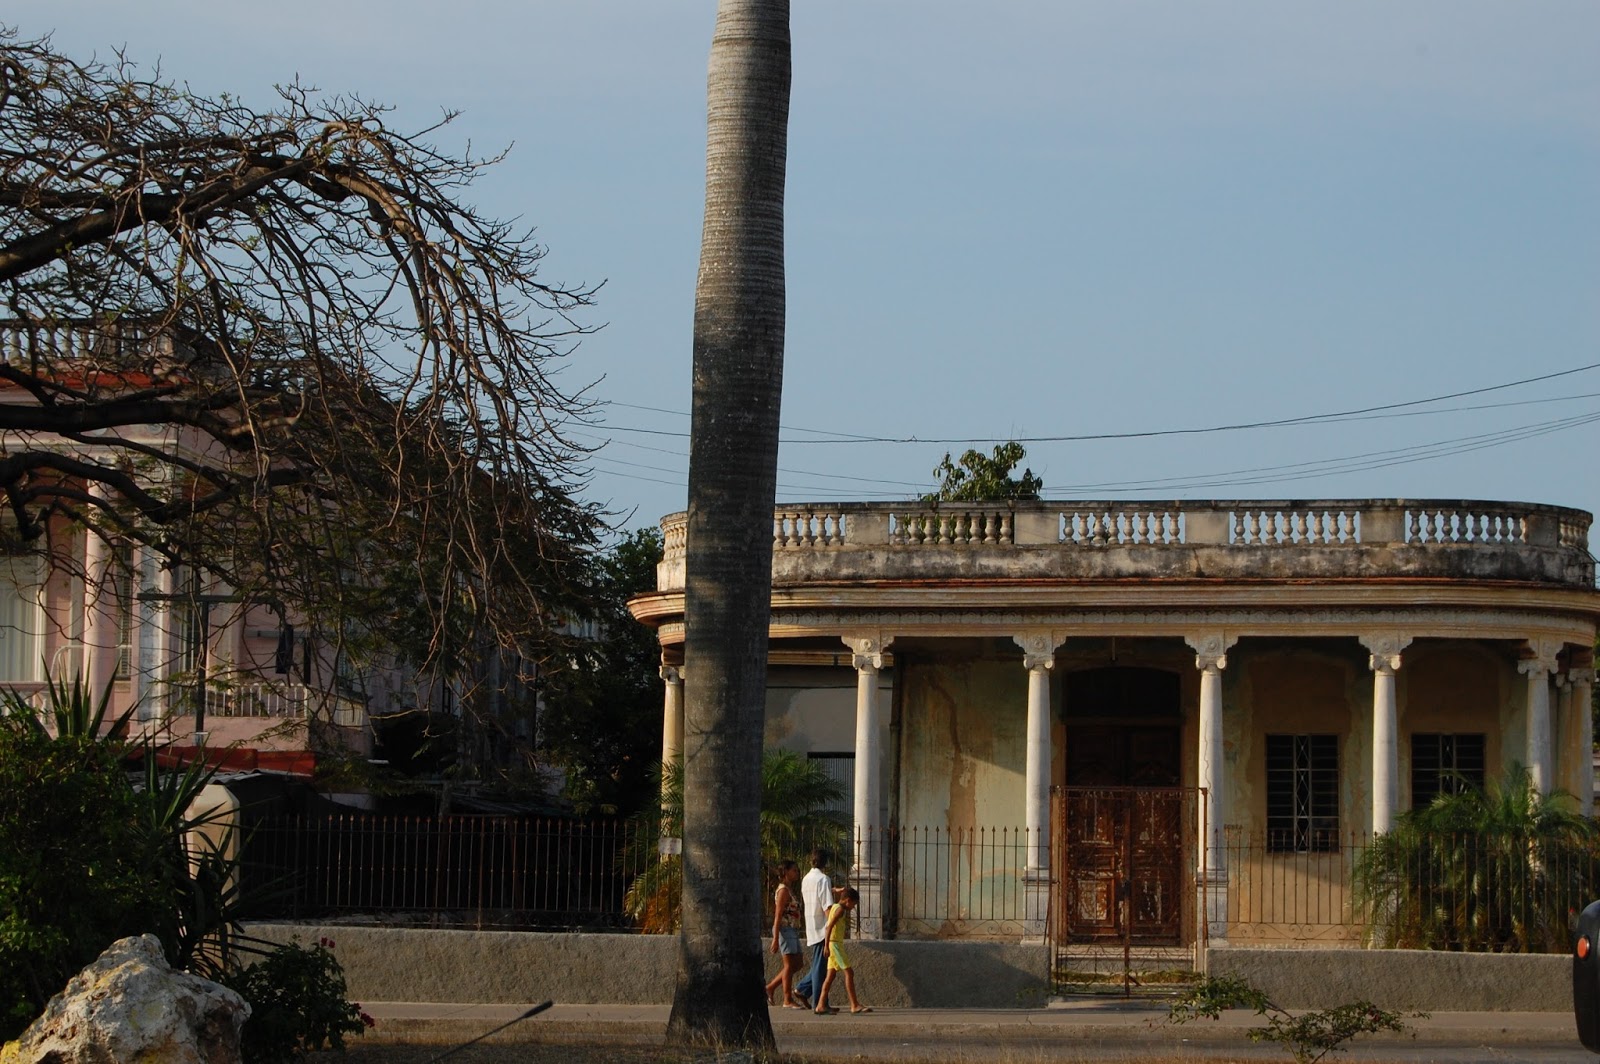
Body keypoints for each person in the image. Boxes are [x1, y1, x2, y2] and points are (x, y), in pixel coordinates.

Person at [789, 847, 835, 1010]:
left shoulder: (807, 878)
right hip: (823, 927)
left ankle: (802, 989)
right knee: (820, 968)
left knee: (818, 964)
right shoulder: (824, 879)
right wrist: (833, 924)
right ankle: (819, 1003)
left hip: (811, 924)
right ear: (825, 863)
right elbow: (827, 906)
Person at [814, 886, 870, 1015]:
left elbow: (832, 890)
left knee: (830, 976)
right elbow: (829, 927)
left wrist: (837, 890)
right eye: (853, 904)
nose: (853, 908)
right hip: (835, 945)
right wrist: (826, 946)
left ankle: (821, 1005)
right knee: (849, 973)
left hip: (834, 944)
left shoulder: (834, 907)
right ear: (848, 900)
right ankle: (854, 1005)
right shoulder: (840, 910)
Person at [764, 859, 805, 1007]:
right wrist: (775, 938)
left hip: (792, 929)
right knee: (789, 964)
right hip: (785, 929)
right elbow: (778, 914)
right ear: (786, 872)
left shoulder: (789, 889)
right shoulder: (783, 891)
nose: (797, 872)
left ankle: (770, 988)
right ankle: (787, 999)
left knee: (798, 963)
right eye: (794, 870)